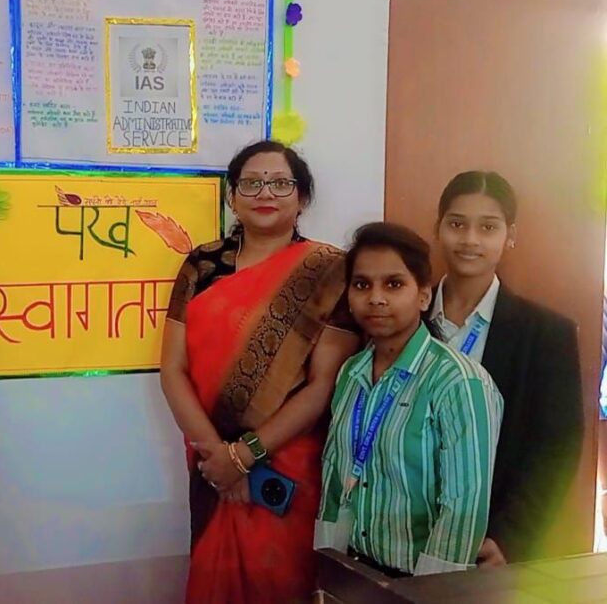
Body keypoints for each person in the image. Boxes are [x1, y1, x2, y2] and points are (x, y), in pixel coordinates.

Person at [160, 140, 360, 603]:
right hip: (211, 464)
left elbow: (322, 385)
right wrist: (219, 458)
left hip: (289, 462)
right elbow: (172, 369)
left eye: (280, 183)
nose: (265, 192)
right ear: (232, 197)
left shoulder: (329, 272)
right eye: (251, 183)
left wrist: (245, 456)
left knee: (284, 581)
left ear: (302, 197)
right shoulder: (202, 265)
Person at [316, 222, 502, 577]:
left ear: (424, 296)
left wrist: (426, 594)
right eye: (362, 285)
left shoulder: (458, 381)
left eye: (394, 284)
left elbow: (463, 507)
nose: (376, 298)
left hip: (420, 581)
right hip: (355, 570)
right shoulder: (350, 372)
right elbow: (335, 479)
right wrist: (329, 570)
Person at [430, 171, 583, 564]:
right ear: (438, 228)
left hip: (487, 540)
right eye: (457, 224)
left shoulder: (546, 333)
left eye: (488, 227)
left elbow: (557, 447)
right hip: (402, 532)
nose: (470, 240)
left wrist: (509, 538)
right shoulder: (404, 317)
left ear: (509, 235)